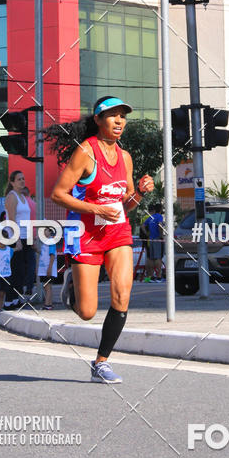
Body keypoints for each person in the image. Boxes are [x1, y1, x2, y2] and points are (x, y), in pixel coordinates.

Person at [51, 95, 154, 384]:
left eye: (123, 116)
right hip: (85, 235)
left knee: (122, 295)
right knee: (87, 312)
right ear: (98, 120)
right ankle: (72, 285)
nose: (119, 120)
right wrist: (96, 209)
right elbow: (58, 194)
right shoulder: (86, 151)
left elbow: (126, 204)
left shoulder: (125, 157)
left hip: (117, 233)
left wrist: (140, 192)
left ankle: (101, 363)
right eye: (112, 115)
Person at [4, 170, 28, 309]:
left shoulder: (23, 196)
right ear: (12, 182)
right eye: (19, 179)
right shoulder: (12, 197)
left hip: (25, 237)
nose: (22, 181)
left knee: (21, 271)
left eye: (23, 178)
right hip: (14, 237)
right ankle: (8, 301)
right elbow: (12, 219)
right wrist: (17, 239)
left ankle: (16, 298)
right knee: (14, 270)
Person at [140, 204, 164, 282]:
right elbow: (160, 225)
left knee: (150, 258)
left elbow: (142, 226)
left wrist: (147, 234)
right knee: (158, 257)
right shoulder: (159, 216)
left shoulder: (150, 217)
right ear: (160, 209)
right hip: (157, 239)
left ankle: (150, 277)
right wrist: (161, 235)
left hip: (150, 240)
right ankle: (159, 277)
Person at [22, 186, 37, 296]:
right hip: (32, 236)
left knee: (20, 263)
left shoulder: (22, 205)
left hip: (22, 235)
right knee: (31, 263)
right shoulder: (34, 204)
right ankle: (29, 287)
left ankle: (19, 286)